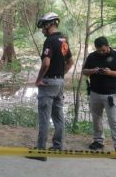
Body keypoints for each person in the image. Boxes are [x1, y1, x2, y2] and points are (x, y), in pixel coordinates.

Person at [28, 12, 74, 161]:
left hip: (48, 83)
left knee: (44, 117)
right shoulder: (63, 40)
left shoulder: (50, 41)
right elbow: (70, 62)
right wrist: (60, 76)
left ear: (49, 25)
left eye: (43, 27)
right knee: (58, 116)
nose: (42, 30)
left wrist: (38, 79)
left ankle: (40, 152)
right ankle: (58, 145)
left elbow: (46, 63)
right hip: (59, 82)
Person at [82, 36, 116, 155]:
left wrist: (110, 72)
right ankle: (98, 141)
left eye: (103, 50)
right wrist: (93, 71)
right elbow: (84, 71)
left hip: (111, 95)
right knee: (96, 118)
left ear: (108, 46)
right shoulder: (92, 56)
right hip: (95, 93)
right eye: (99, 50)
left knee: (114, 120)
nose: (101, 52)